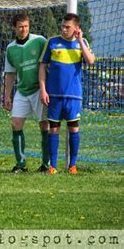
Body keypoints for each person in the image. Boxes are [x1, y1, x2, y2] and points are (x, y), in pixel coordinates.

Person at [39, 13, 95, 175]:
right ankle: (53, 166)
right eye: (62, 26)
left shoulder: (82, 43)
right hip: (54, 95)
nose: (63, 29)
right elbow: (42, 67)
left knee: (74, 129)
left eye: (67, 27)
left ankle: (72, 165)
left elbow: (90, 61)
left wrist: (79, 40)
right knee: (54, 129)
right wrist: (43, 90)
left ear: (76, 28)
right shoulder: (52, 42)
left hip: (73, 95)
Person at [4, 13, 50, 173]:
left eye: (26, 26)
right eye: (20, 27)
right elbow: (10, 74)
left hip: (39, 90)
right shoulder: (10, 49)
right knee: (15, 124)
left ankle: (46, 164)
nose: (24, 29)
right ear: (15, 28)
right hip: (22, 91)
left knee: (44, 125)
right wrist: (7, 96)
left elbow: (49, 63)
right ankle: (21, 164)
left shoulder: (40, 41)